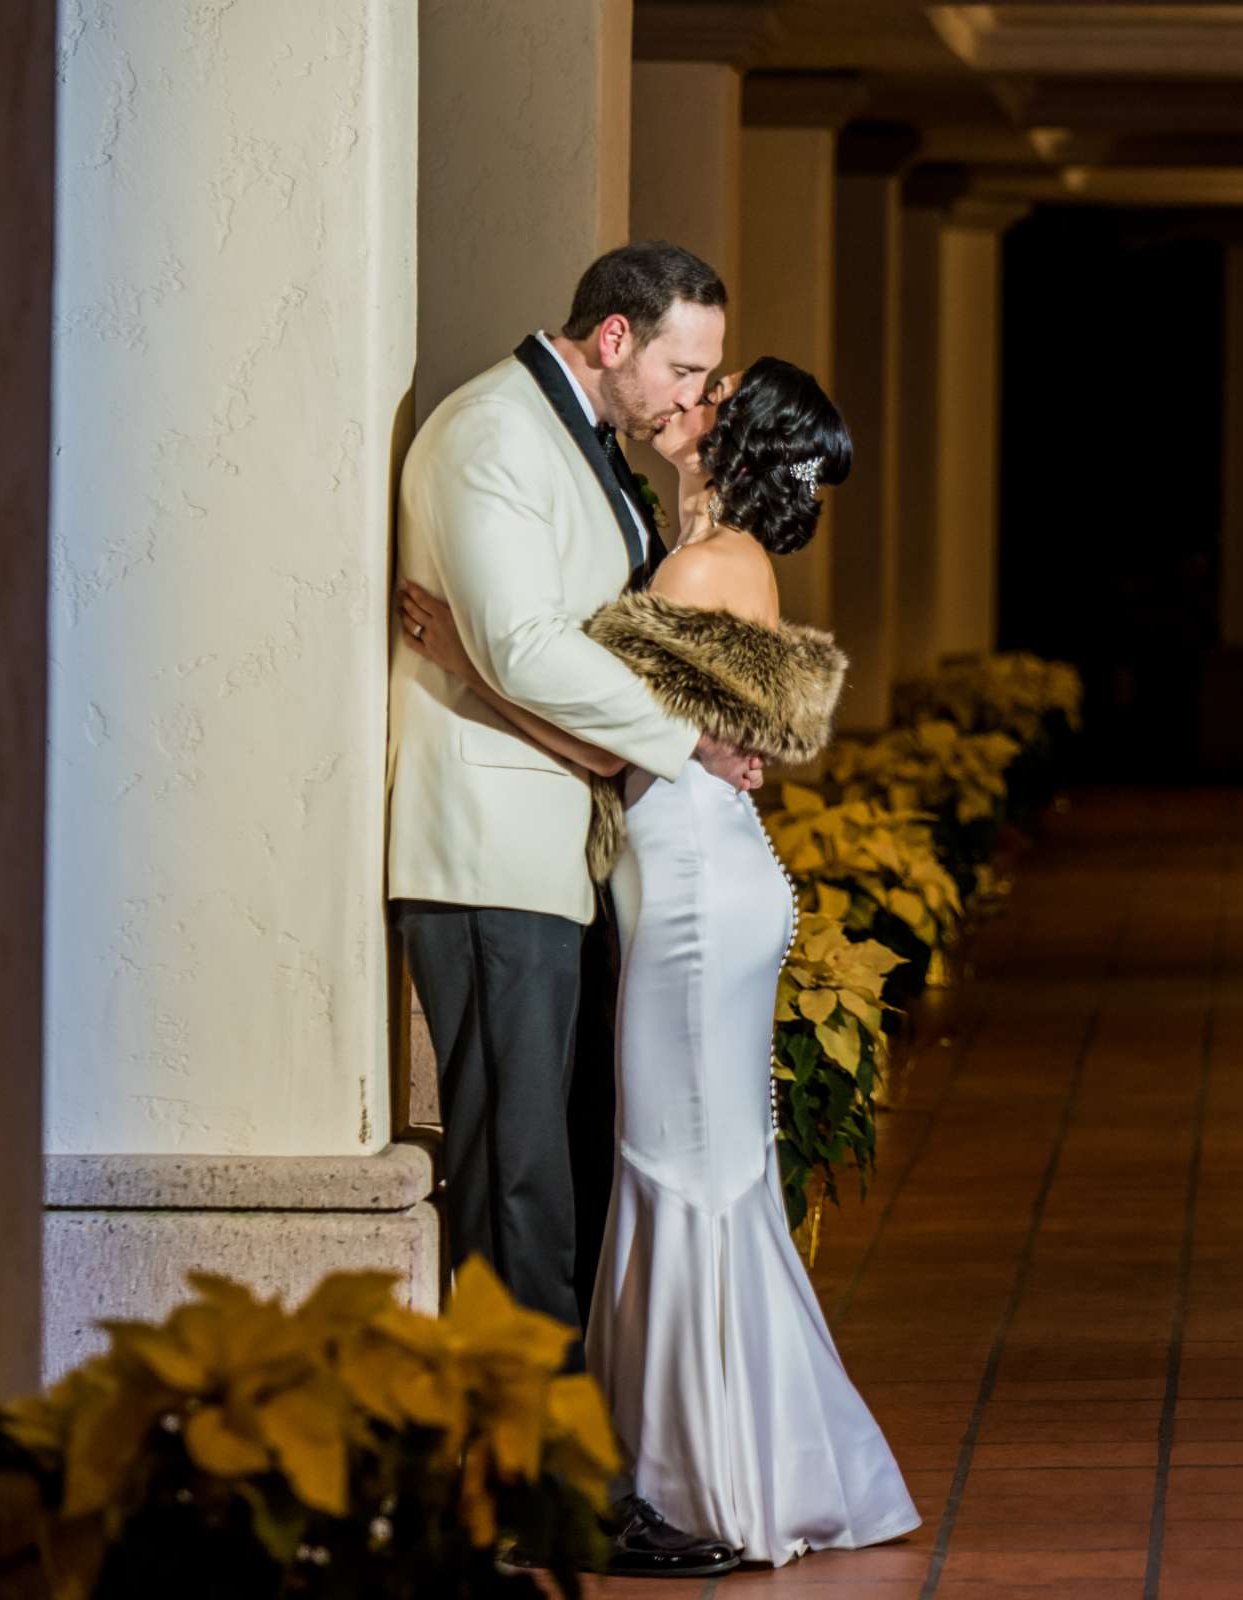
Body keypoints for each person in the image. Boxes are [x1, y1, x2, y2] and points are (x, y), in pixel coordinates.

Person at [399, 356, 921, 1567]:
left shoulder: (697, 566)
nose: (688, 401)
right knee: (697, 1172)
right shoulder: (703, 557)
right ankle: (721, 1455)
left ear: (731, 441)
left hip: (691, 890)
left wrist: (464, 663)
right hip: (703, 877)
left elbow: (610, 742)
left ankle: (708, 1481)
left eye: (711, 393)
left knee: (676, 1174)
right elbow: (686, 739)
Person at [385, 241, 756, 1580]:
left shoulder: (593, 439)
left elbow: (577, 643)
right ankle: (528, 1503)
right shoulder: (487, 430)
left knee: (572, 1181)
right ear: (612, 337)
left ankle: (568, 1482)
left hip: (566, 843)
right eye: (683, 366)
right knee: (519, 1191)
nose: (692, 396)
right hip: (488, 858)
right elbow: (527, 644)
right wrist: (687, 737)